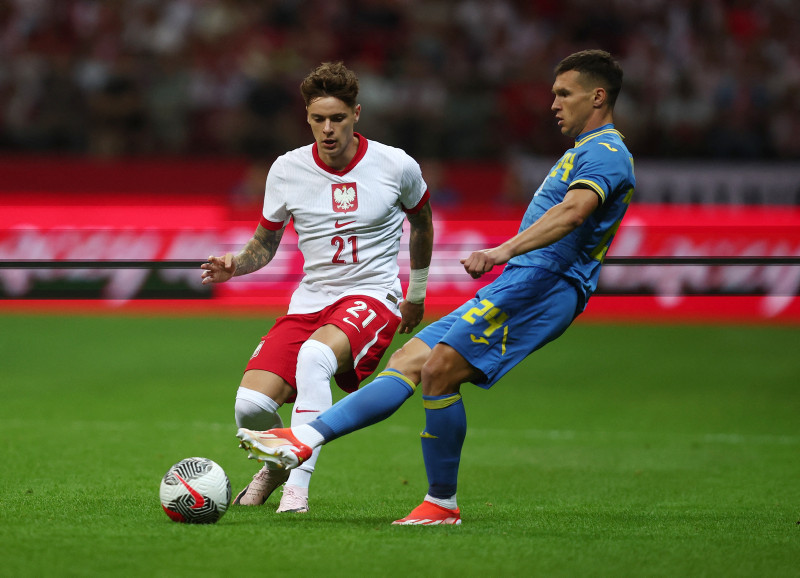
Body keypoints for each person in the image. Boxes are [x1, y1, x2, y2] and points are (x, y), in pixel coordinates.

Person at [237, 49, 634, 525]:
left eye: (564, 94)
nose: (554, 104)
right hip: (521, 280)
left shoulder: (607, 152)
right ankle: (327, 450)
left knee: (439, 369)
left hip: (544, 285)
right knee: (412, 361)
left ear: (597, 96)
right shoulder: (584, 151)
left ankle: (414, 491)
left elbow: (573, 212)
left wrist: (501, 251)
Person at [202, 61, 434, 514]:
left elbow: (422, 222)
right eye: (318, 119)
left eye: (338, 118)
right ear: (307, 117)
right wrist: (235, 265)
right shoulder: (287, 169)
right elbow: (265, 244)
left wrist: (417, 293)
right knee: (250, 407)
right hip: (311, 300)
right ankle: (276, 464)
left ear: (356, 114)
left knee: (314, 358)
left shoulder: (396, 164)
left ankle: (297, 491)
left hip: (373, 294)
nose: (328, 129)